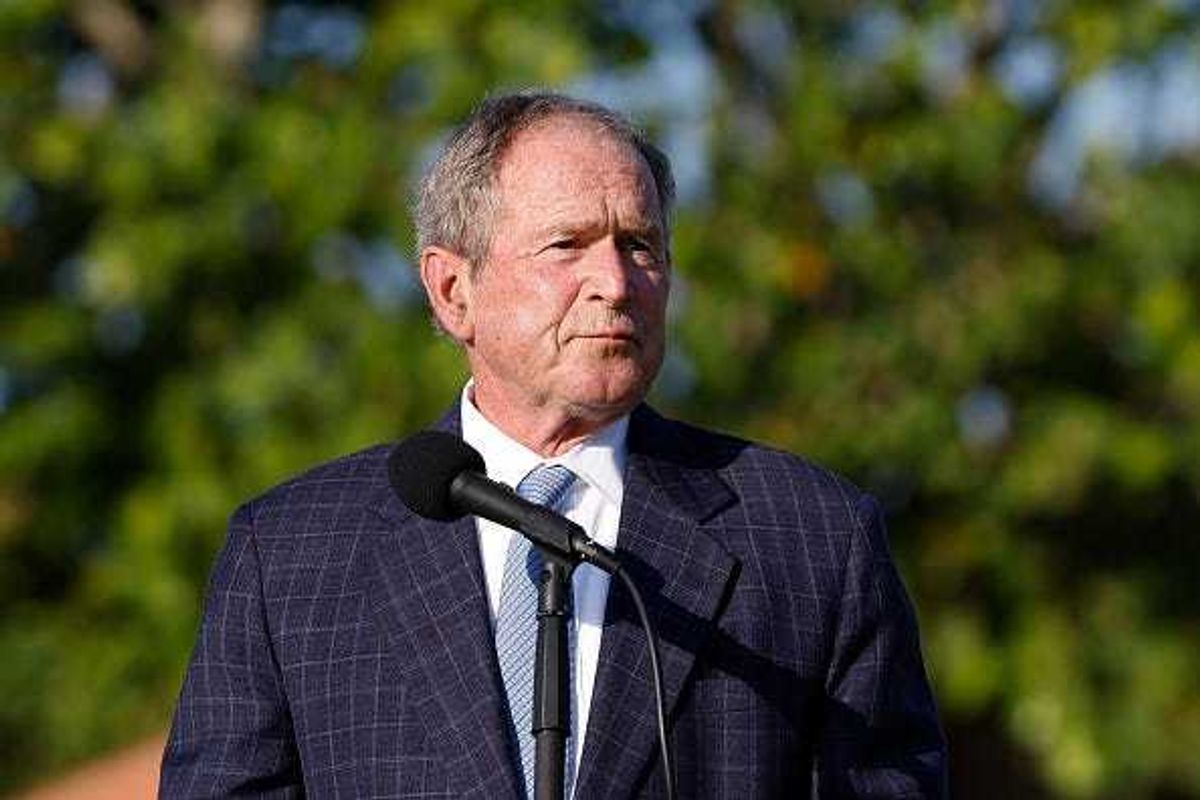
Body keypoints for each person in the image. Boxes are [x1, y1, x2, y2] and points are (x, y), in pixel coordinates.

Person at [160, 91, 947, 799]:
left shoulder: (812, 537)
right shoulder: (294, 553)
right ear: (452, 290)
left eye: (640, 245)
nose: (616, 281)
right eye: (568, 245)